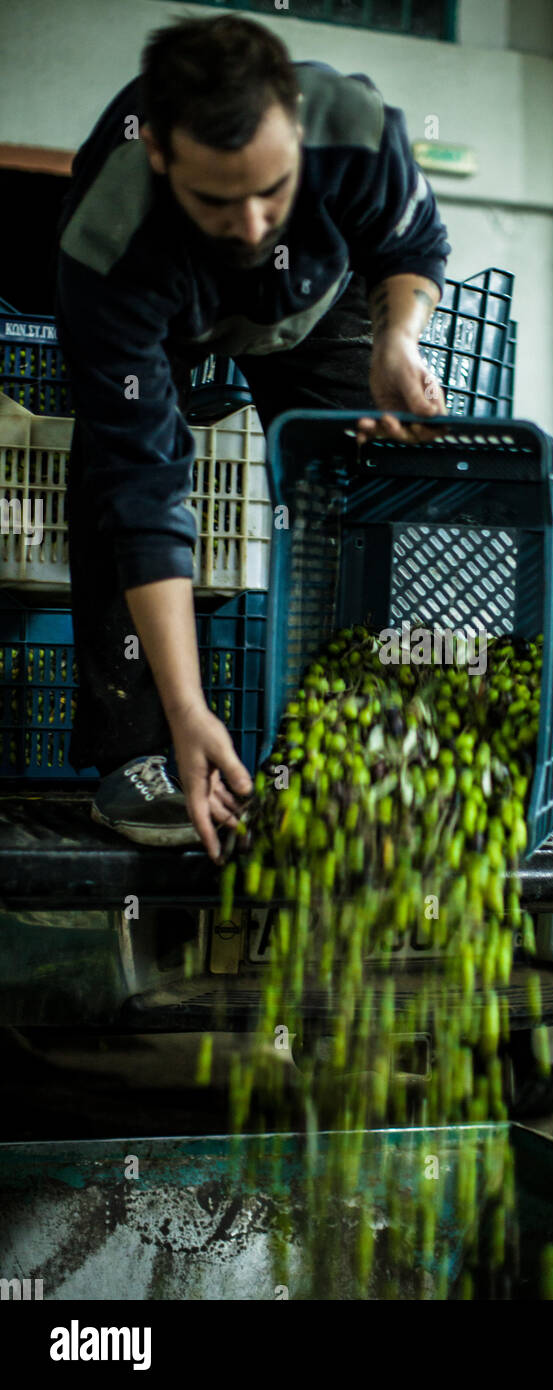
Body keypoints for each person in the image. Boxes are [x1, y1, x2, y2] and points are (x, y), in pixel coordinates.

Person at [54, 14, 450, 862]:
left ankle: (352, 751)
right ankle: (139, 754)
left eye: (273, 190)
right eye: (217, 199)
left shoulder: (352, 129)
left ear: (298, 131)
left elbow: (410, 243)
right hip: (169, 316)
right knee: (105, 479)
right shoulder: (107, 238)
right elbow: (144, 490)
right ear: (160, 153)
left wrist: (397, 339)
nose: (251, 224)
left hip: (320, 301)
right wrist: (190, 709)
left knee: (365, 480)